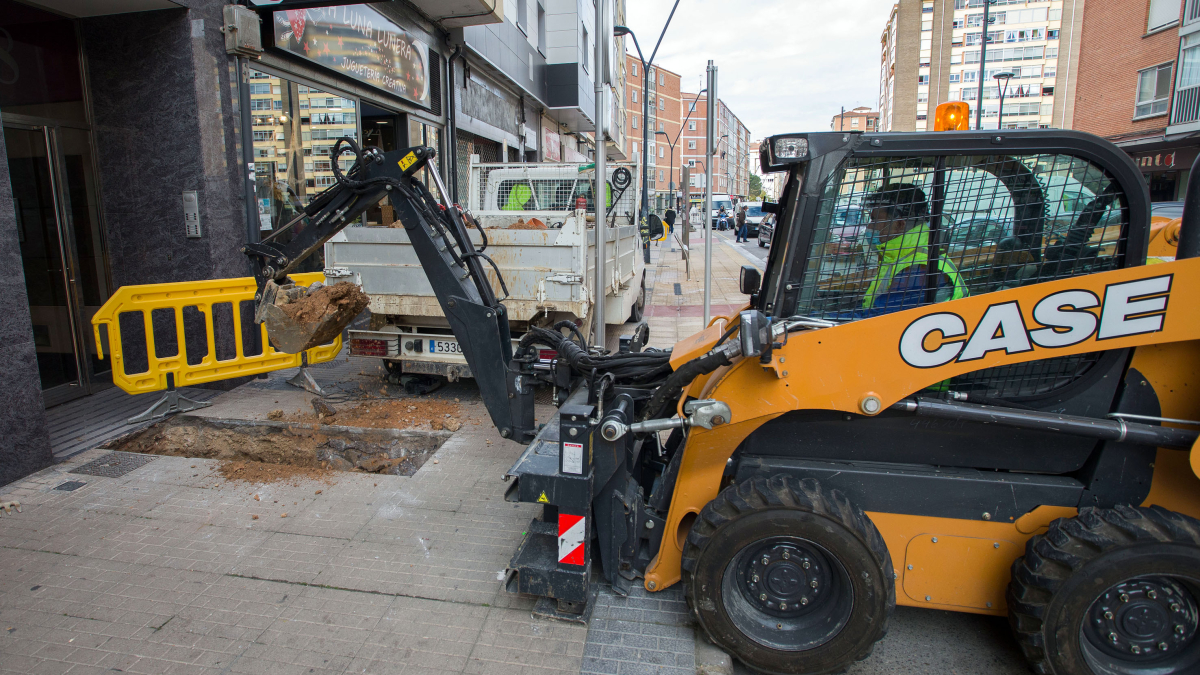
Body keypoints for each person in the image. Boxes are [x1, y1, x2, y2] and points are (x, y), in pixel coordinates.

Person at [855, 183, 968, 316]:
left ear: (899, 224)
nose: (870, 226)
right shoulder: (907, 256)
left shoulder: (918, 268)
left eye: (875, 219)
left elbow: (880, 320)